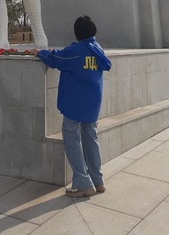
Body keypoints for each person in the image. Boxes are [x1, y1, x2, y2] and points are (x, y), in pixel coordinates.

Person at [34, 15, 111, 198]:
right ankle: (97, 180)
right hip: (92, 105)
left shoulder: (76, 51)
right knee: (91, 139)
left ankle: (83, 184)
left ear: (77, 33)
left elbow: (56, 60)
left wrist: (40, 53)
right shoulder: (97, 49)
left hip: (75, 104)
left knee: (72, 140)